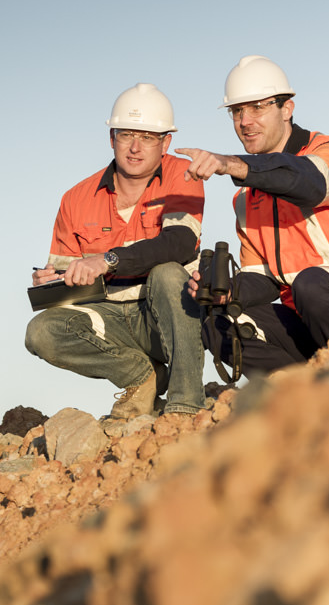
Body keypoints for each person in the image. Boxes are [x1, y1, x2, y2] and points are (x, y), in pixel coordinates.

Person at [176, 55, 329, 372]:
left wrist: (233, 165)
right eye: (237, 111)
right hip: (313, 324)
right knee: (218, 324)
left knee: (313, 283)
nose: (245, 120)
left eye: (258, 107)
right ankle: (304, 398)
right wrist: (224, 291)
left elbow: (306, 180)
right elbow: (264, 282)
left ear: (287, 108)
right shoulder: (245, 199)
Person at [25, 83, 208, 418]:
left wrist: (108, 260)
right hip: (110, 318)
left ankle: (185, 404)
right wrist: (52, 282)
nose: (135, 148)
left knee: (168, 273)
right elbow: (71, 282)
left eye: (148, 137)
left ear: (165, 142)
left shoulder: (183, 175)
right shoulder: (75, 198)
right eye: (126, 135)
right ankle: (141, 377)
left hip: (168, 316)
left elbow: (179, 244)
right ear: (112, 137)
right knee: (41, 331)